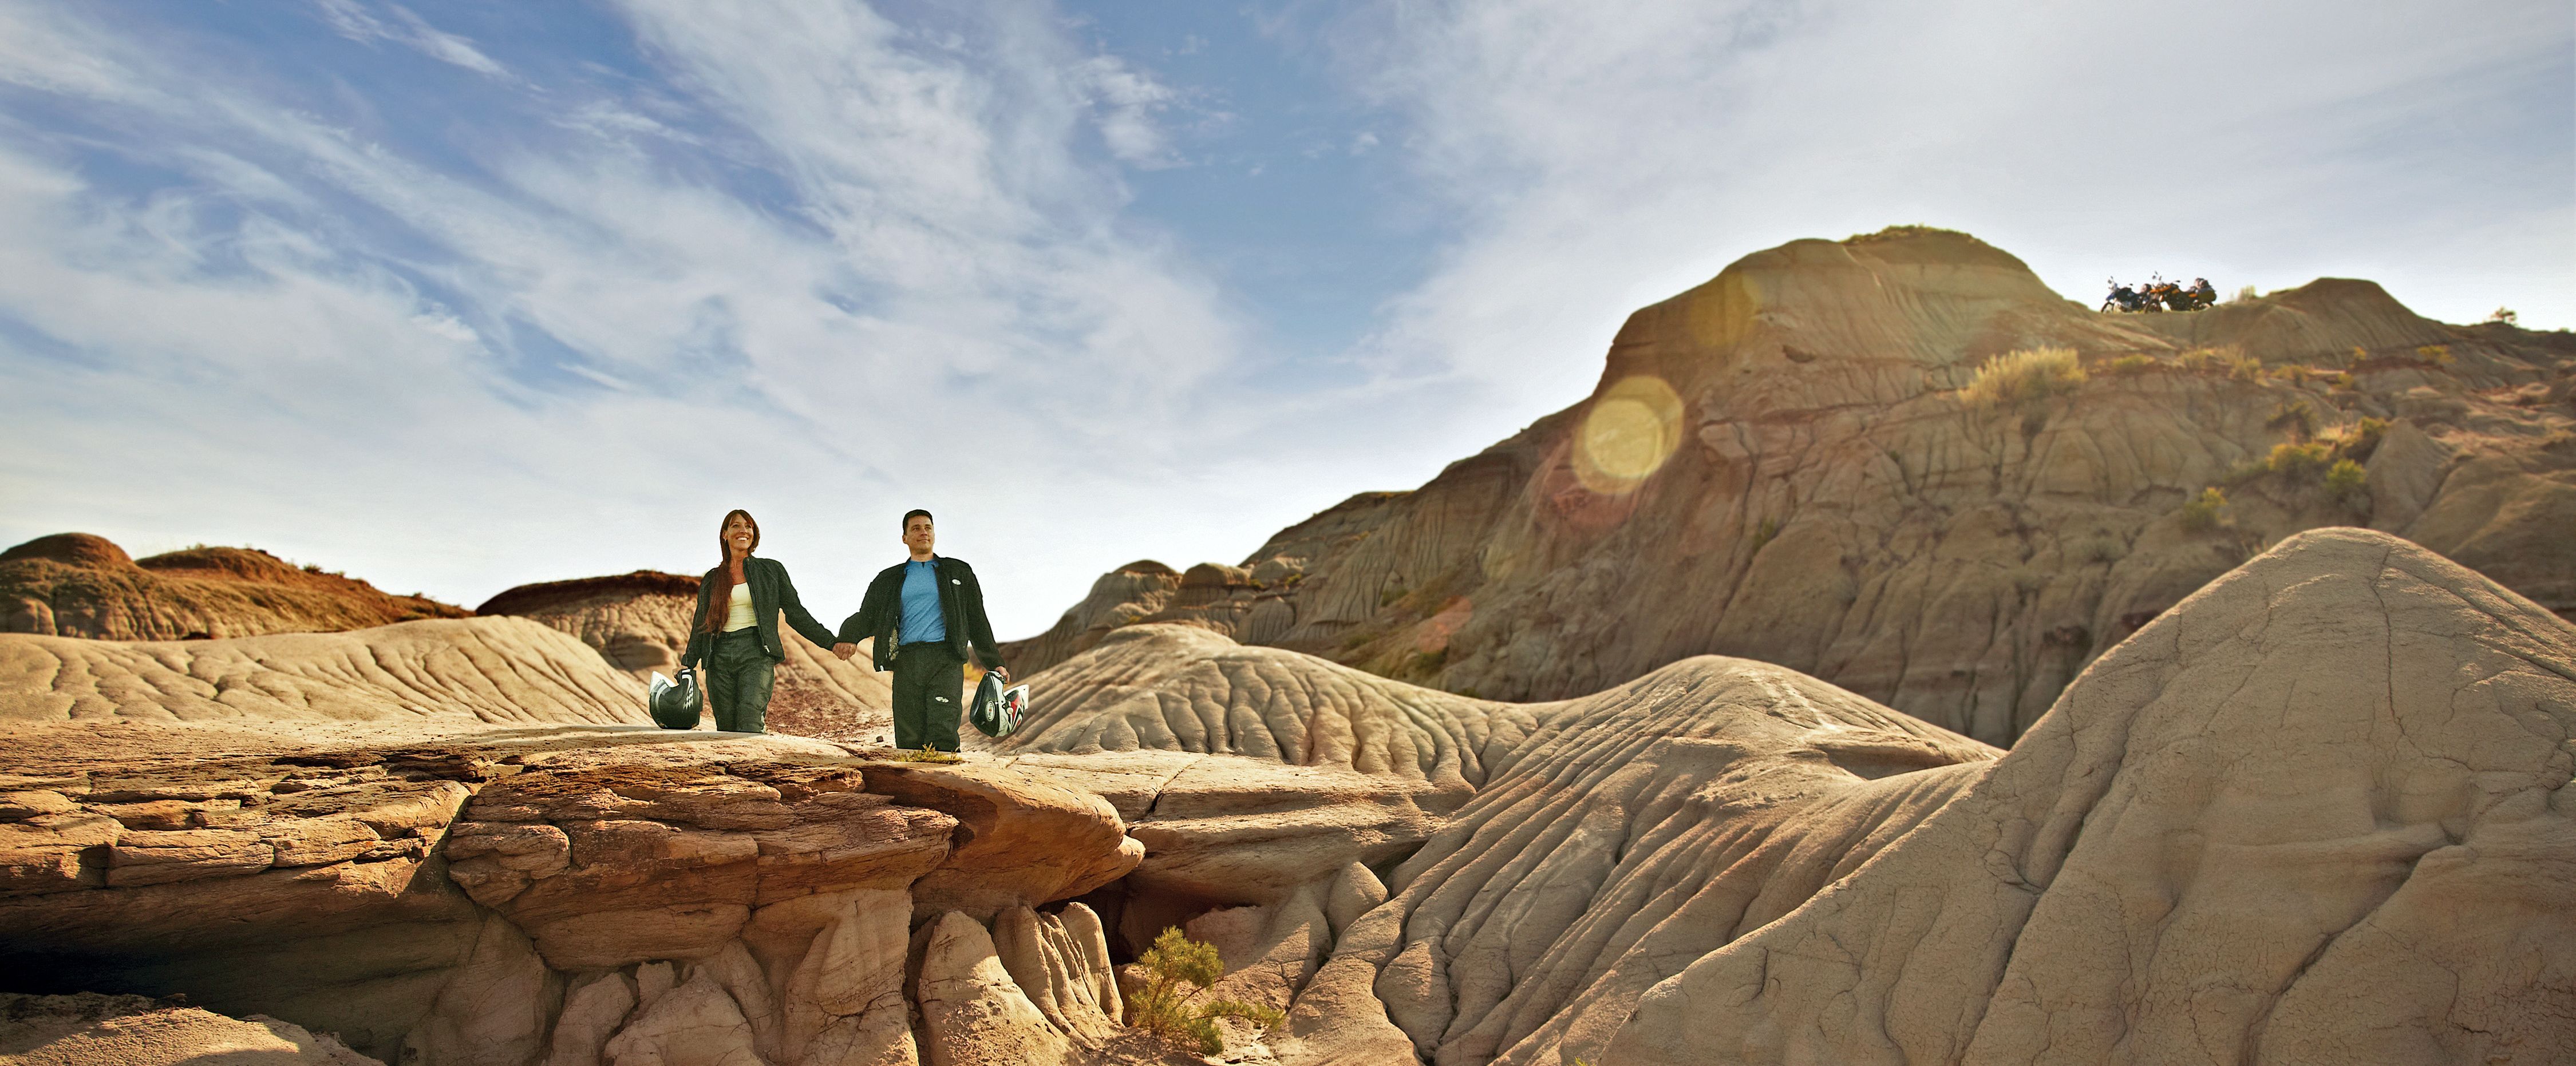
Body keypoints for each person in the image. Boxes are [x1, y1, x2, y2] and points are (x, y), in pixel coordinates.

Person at [836, 509, 1008, 754]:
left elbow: (977, 619)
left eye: (927, 527)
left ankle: (947, 786)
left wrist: (994, 662)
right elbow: (868, 615)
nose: (923, 532)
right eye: (915, 528)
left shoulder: (958, 572)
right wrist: (848, 637)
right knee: (909, 734)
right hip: (907, 660)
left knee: (943, 728)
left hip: (946, 659)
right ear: (905, 537)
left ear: (934, 534)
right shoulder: (889, 578)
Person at [682, 509, 850, 734]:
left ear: (754, 534)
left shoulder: (771, 570)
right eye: (736, 526)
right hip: (719, 657)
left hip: (756, 652)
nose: (743, 531)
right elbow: (701, 624)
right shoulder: (713, 578)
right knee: (726, 727)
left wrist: (831, 642)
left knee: (750, 720)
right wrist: (688, 663)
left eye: (748, 526)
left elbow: (796, 613)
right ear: (725, 534)